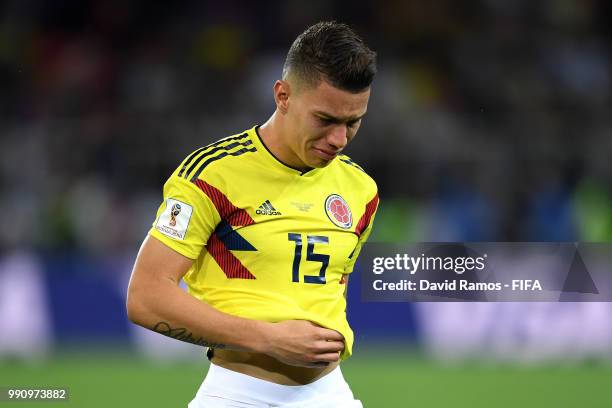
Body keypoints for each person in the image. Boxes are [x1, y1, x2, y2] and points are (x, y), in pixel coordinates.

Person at [127, 21, 379, 407]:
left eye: (353, 122)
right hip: (237, 394)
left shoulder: (362, 191)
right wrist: (269, 338)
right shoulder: (212, 174)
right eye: (325, 120)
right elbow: (145, 297)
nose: (339, 140)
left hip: (330, 394)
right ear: (283, 96)